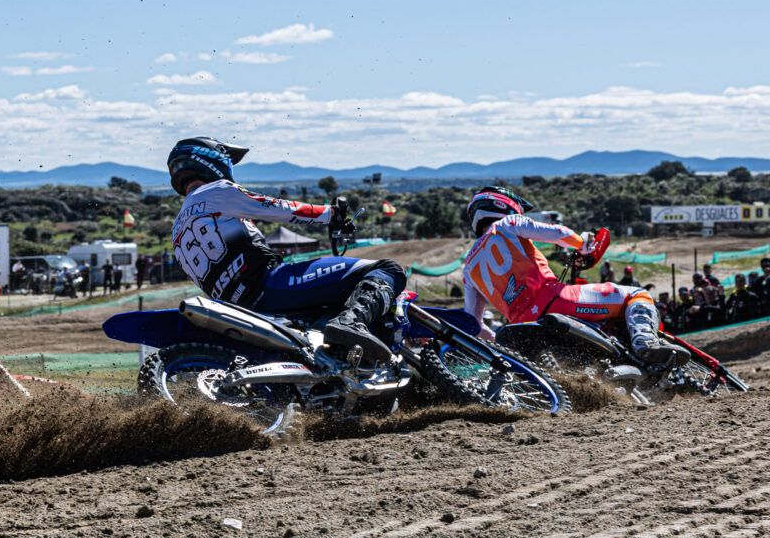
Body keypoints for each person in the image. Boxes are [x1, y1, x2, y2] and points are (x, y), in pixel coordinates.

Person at [166, 137, 405, 362]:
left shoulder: (176, 229)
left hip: (237, 306)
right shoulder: (216, 191)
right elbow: (278, 208)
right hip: (272, 284)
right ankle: (351, 322)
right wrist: (330, 214)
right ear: (210, 159)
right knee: (388, 269)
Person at [460, 186, 686, 366]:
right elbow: (557, 232)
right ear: (503, 205)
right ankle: (645, 341)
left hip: (520, 328)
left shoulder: (468, 267)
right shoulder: (507, 223)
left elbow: (474, 324)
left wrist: (497, 342)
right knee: (636, 294)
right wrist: (583, 244)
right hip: (556, 301)